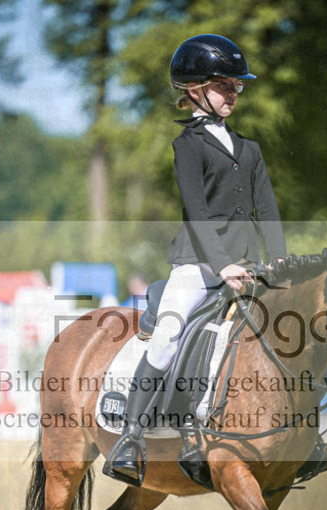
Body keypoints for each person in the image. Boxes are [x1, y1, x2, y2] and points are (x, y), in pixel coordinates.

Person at [103, 34, 286, 485]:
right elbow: (196, 211)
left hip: (247, 271)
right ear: (195, 89)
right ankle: (130, 437)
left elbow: (268, 211)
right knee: (167, 335)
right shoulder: (188, 145)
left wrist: (280, 264)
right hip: (198, 267)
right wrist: (222, 264)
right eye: (225, 85)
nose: (234, 94)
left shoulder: (250, 149)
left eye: (237, 86)